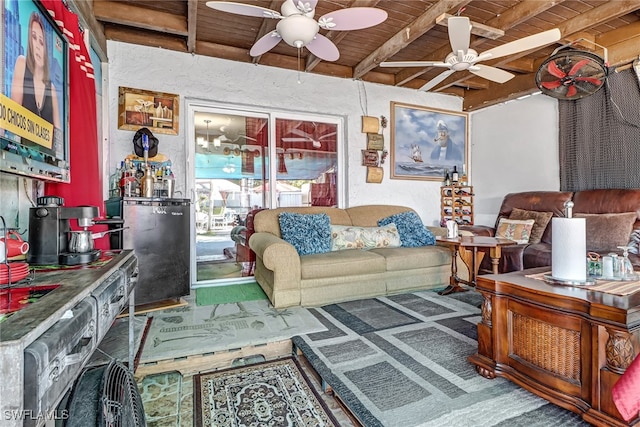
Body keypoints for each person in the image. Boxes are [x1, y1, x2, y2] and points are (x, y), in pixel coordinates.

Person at [10, 11, 61, 130]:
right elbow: (13, 119)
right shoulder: (22, 63)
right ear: (29, 41)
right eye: (34, 37)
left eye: (41, 42)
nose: (38, 46)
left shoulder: (52, 89)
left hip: (45, 149)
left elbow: (58, 136)